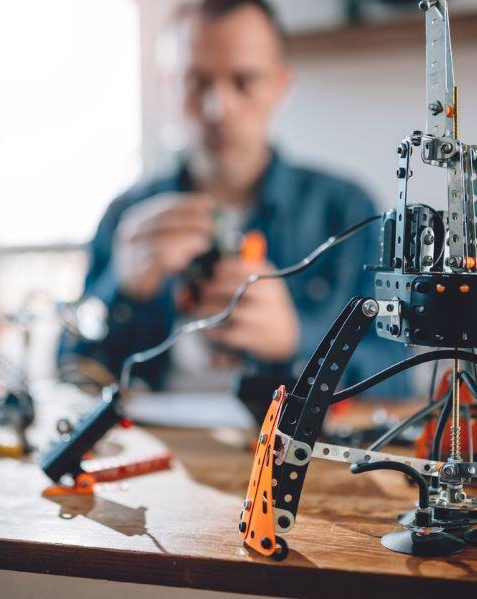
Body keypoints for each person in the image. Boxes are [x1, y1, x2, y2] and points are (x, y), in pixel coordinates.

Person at [58, 0, 409, 397]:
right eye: (196, 82)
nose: (218, 108)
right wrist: (118, 289)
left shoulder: (347, 212)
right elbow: (69, 370)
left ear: (281, 86)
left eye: (243, 81)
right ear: (168, 86)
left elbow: (399, 376)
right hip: (153, 434)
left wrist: (296, 340)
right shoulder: (127, 217)